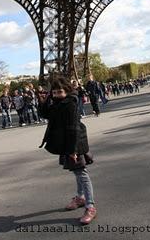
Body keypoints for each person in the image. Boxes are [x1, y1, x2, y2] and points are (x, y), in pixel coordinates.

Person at [39, 76, 97, 225]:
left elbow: (73, 129)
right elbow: (45, 114)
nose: (57, 95)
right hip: (67, 142)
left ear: (67, 91)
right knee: (76, 172)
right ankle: (80, 197)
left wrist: (72, 150)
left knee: (81, 172)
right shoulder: (58, 102)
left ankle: (90, 206)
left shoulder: (70, 103)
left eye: (60, 92)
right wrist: (45, 100)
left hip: (74, 143)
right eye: (55, 92)